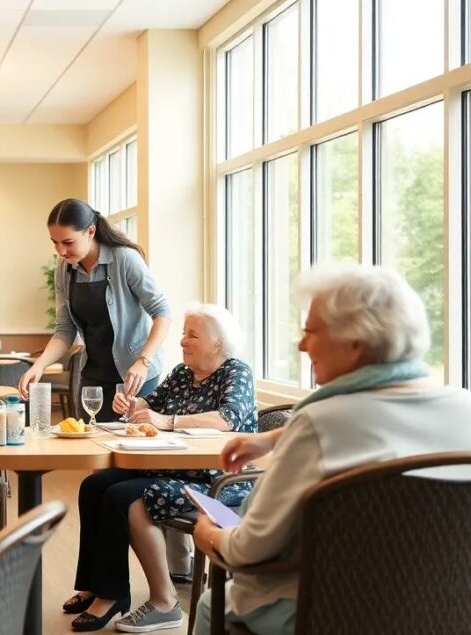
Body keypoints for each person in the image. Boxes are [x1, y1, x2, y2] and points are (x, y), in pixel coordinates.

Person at [192, 265, 471, 635]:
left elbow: (248, 551)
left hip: (328, 611)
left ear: (356, 342)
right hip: (448, 608)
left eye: (310, 331)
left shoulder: (320, 424)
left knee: (214, 601)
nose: (301, 345)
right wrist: (273, 439)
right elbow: (379, 426)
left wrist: (207, 533)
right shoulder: (463, 408)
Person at [65, 303, 256, 632]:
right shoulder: (183, 373)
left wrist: (168, 421)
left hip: (218, 483)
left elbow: (228, 419)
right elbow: (151, 404)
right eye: (183, 333)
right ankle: (97, 586)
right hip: (173, 469)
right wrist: (131, 405)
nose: (182, 341)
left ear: (218, 343)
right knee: (94, 485)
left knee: (124, 496)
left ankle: (161, 602)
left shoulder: (236, 372)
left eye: (192, 335)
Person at [19, 198, 171, 420]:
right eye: (55, 242)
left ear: (90, 231)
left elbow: (163, 312)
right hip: (94, 376)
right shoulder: (64, 269)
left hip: (135, 376)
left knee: (129, 444)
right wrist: (38, 366)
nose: (60, 251)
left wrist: (143, 361)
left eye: (68, 242)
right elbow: (64, 330)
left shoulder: (124, 259)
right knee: (90, 442)